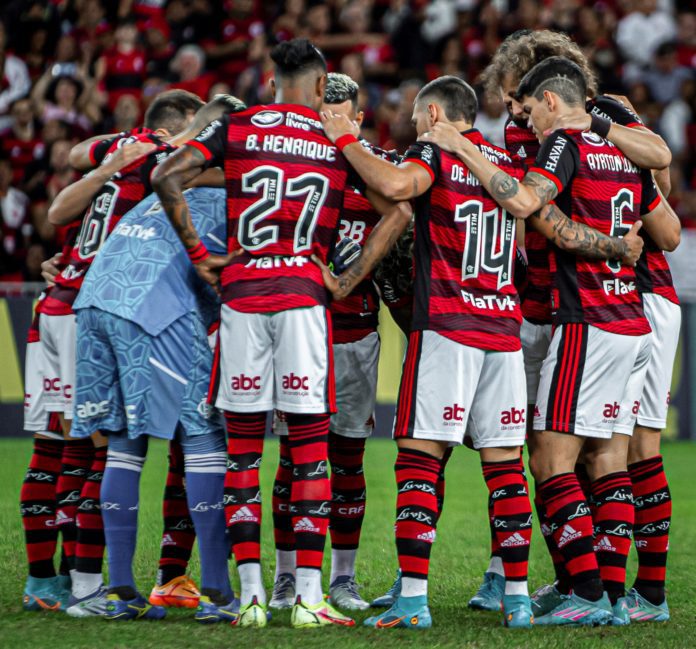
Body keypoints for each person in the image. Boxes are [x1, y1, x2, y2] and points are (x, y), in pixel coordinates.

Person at [320, 71, 647, 628]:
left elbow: (399, 189)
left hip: (448, 323)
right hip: (503, 329)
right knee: (505, 469)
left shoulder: (435, 149)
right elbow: (534, 215)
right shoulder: (506, 161)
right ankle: (516, 598)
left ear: (432, 115)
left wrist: (344, 139)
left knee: (420, 459)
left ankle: (413, 601)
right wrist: (620, 246)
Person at [151, 38, 411, 629]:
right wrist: (346, 280)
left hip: (242, 296)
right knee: (310, 449)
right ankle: (310, 597)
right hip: (302, 299)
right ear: (323, 87)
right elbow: (397, 208)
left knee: (243, 450)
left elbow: (167, 175)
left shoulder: (238, 126)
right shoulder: (334, 139)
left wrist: (198, 254)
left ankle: (250, 598)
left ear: (271, 79)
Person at [420, 56, 677, 626]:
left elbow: (521, 202)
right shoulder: (628, 146)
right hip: (631, 317)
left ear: (552, 101)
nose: (526, 120)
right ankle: (612, 596)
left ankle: (583, 591)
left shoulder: (563, 141)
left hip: (586, 317)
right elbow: (668, 223)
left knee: (548, 457)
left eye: (528, 107)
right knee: (609, 454)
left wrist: (464, 150)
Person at [38, 89, 204, 617]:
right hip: (104, 310)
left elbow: (68, 165)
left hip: (60, 303)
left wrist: (111, 153)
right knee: (110, 450)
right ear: (178, 129)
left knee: (68, 451)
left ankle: (56, 580)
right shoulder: (162, 157)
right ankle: (85, 588)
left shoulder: (123, 149)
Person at [69, 181, 241, 623]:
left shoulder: (158, 195)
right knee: (205, 439)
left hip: (94, 302)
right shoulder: (235, 201)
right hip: (156, 310)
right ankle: (219, 596)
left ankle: (121, 590)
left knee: (124, 446)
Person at [268, 72, 401, 613]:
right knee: (292, 459)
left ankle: (342, 578)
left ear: (357, 118)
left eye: (339, 115)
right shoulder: (294, 161)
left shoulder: (375, 167)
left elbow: (400, 211)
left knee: (346, 459)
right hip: (294, 327)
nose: (329, 124)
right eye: (323, 112)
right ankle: (283, 577)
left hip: (353, 334)